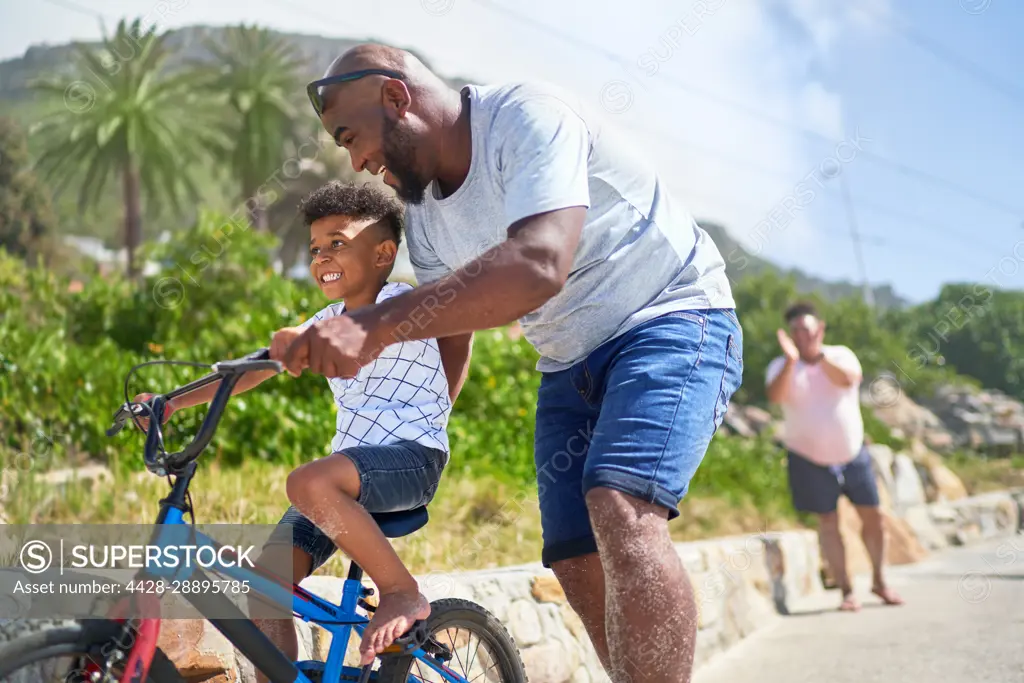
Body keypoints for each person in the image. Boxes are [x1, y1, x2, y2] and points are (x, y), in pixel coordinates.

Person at [280, 43, 743, 682]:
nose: (358, 161)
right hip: (566, 358)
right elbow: (454, 320)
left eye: (351, 137)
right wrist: (421, 424)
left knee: (620, 506)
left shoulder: (529, 117)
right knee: (574, 554)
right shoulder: (423, 215)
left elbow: (538, 263)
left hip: (670, 318)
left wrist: (375, 325)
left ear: (396, 97)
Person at [135, 182, 456, 669]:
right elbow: (253, 369)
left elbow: (393, 324)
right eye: (315, 248)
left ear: (384, 253)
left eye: (338, 243)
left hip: (411, 459)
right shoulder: (325, 318)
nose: (322, 255)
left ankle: (401, 591)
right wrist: (171, 404)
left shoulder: (401, 301)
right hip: (347, 477)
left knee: (307, 480)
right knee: (266, 586)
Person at [765, 301, 904, 612]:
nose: (802, 336)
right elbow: (775, 396)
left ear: (820, 329)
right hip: (807, 457)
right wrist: (792, 361)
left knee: (873, 517)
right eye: (796, 331)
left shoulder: (841, 355)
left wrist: (816, 357)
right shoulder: (780, 366)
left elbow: (847, 379)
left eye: (807, 329)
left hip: (853, 453)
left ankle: (880, 581)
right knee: (828, 523)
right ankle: (846, 591)